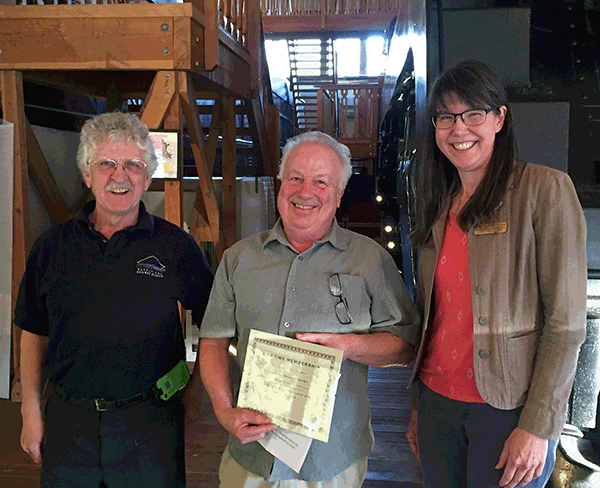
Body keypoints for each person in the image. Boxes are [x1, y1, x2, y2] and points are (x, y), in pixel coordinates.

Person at [189, 130, 420, 487]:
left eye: (321, 182)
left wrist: (351, 346)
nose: (305, 192)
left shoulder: (370, 260)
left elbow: (405, 345)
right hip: (252, 454)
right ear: (281, 183)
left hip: (332, 461)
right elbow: (213, 342)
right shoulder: (239, 258)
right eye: (295, 178)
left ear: (340, 194)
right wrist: (223, 411)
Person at [406, 60, 587, 488]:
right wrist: (418, 405)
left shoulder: (544, 190)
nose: (459, 129)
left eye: (473, 114)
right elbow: (434, 317)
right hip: (437, 405)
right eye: (446, 117)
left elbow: (566, 324)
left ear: (499, 118)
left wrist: (539, 426)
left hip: (507, 408)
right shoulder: (438, 201)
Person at [15, 111, 214, 488]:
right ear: (87, 175)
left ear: (148, 177)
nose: (119, 176)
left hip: (151, 421)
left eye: (133, 165)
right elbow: (32, 330)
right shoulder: (51, 247)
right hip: (68, 424)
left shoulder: (176, 248)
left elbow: (214, 323)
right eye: (106, 163)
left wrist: (197, 391)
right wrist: (30, 409)